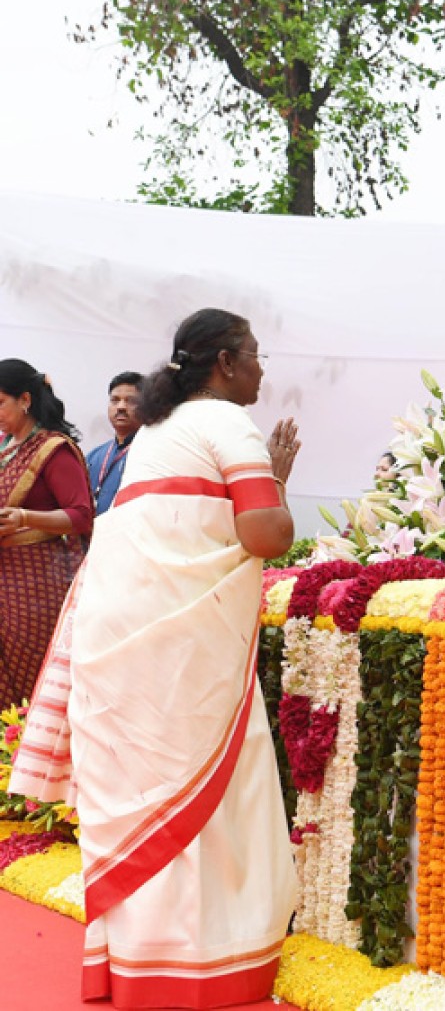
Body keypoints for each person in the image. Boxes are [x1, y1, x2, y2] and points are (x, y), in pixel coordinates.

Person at [10, 309, 300, 1008]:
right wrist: (278, 478)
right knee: (208, 791)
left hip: (119, 638)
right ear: (225, 363)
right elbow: (265, 536)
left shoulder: (155, 431)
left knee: (140, 791)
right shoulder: (227, 423)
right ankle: (201, 964)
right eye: (255, 355)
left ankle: (133, 965)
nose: (261, 370)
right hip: (182, 649)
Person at [0, 360, 92, 707]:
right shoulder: (5, 445)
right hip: (4, 576)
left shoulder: (53, 448)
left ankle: (25, 738)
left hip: (34, 584)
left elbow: (81, 515)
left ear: (25, 399)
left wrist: (26, 517)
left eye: (0, 403)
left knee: (28, 676)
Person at [85, 371, 145, 515]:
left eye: (131, 401)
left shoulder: (151, 452)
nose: (121, 407)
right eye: (115, 400)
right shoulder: (93, 457)